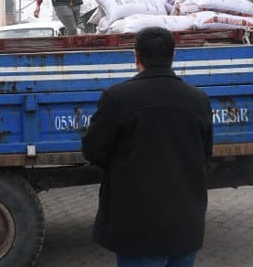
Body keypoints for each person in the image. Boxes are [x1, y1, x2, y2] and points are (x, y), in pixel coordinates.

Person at [81, 27, 213, 267]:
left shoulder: (117, 97)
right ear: (173, 56)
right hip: (187, 222)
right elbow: (205, 153)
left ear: (136, 56)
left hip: (138, 224)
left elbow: (93, 151)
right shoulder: (199, 99)